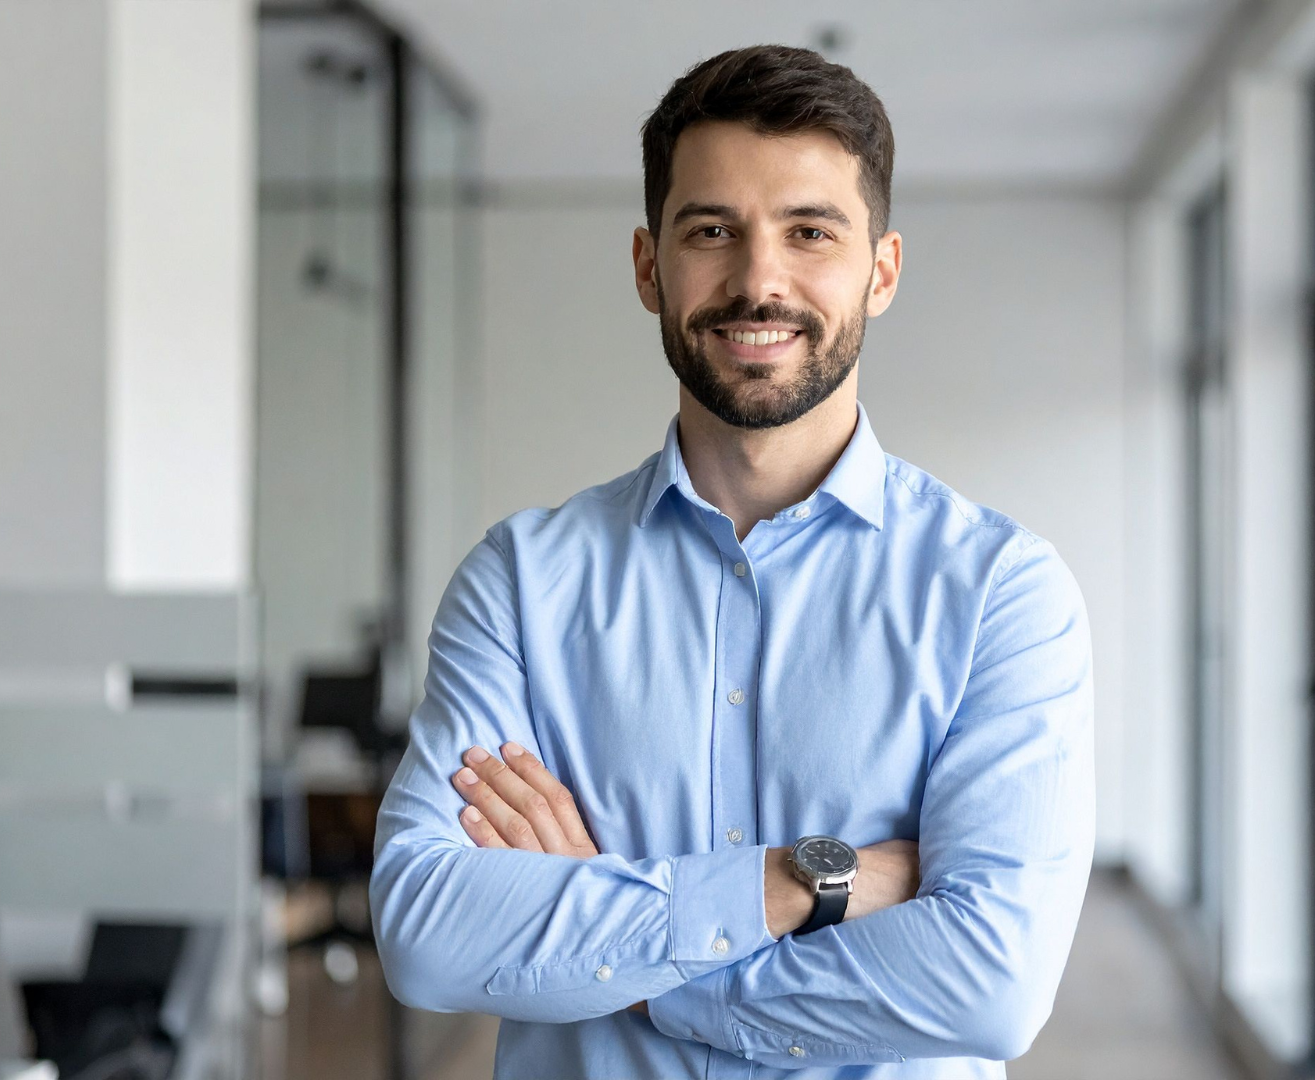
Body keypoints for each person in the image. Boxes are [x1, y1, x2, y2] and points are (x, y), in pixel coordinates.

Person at [370, 43, 1095, 1079]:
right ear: (647, 266)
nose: (759, 281)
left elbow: (992, 984)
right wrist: (809, 881)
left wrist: (631, 946)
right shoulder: (522, 585)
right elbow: (428, 929)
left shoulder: (1001, 596)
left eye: (810, 232)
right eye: (712, 231)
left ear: (880, 271)